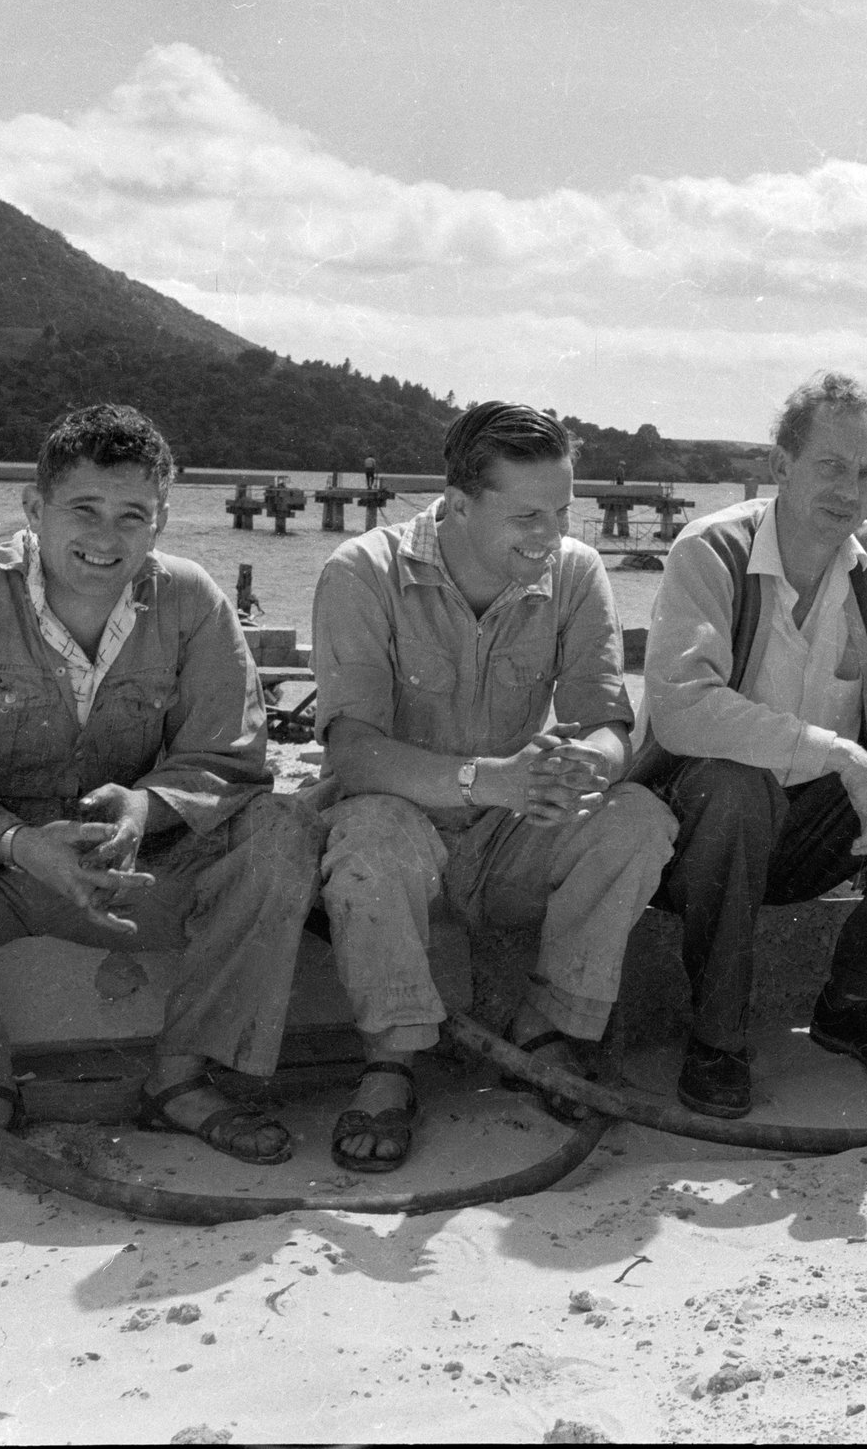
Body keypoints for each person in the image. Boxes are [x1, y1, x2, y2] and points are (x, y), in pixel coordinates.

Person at [0, 404, 319, 1191]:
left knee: (282, 828)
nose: (106, 538)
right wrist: (20, 846)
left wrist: (148, 809)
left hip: (136, 877)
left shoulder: (193, 601)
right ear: (34, 509)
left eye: (132, 516)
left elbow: (231, 758)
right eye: (83, 509)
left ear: (161, 522)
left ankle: (180, 1080)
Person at [308, 401, 673, 1172]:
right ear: (459, 504)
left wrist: (591, 765)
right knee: (370, 837)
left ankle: (548, 1030)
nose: (551, 536)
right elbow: (353, 752)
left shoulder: (574, 574)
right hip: (404, 828)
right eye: (527, 516)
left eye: (563, 512)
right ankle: (390, 1063)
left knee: (636, 819)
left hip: (511, 831)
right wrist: (487, 781)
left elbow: (608, 720)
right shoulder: (361, 573)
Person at [637, 372, 867, 1120]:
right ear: (780, 467)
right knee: (736, 784)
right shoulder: (712, 552)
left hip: (810, 835)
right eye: (831, 465)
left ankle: (855, 1001)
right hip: (693, 841)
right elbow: (680, 708)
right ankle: (716, 1038)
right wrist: (840, 751)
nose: (849, 489)